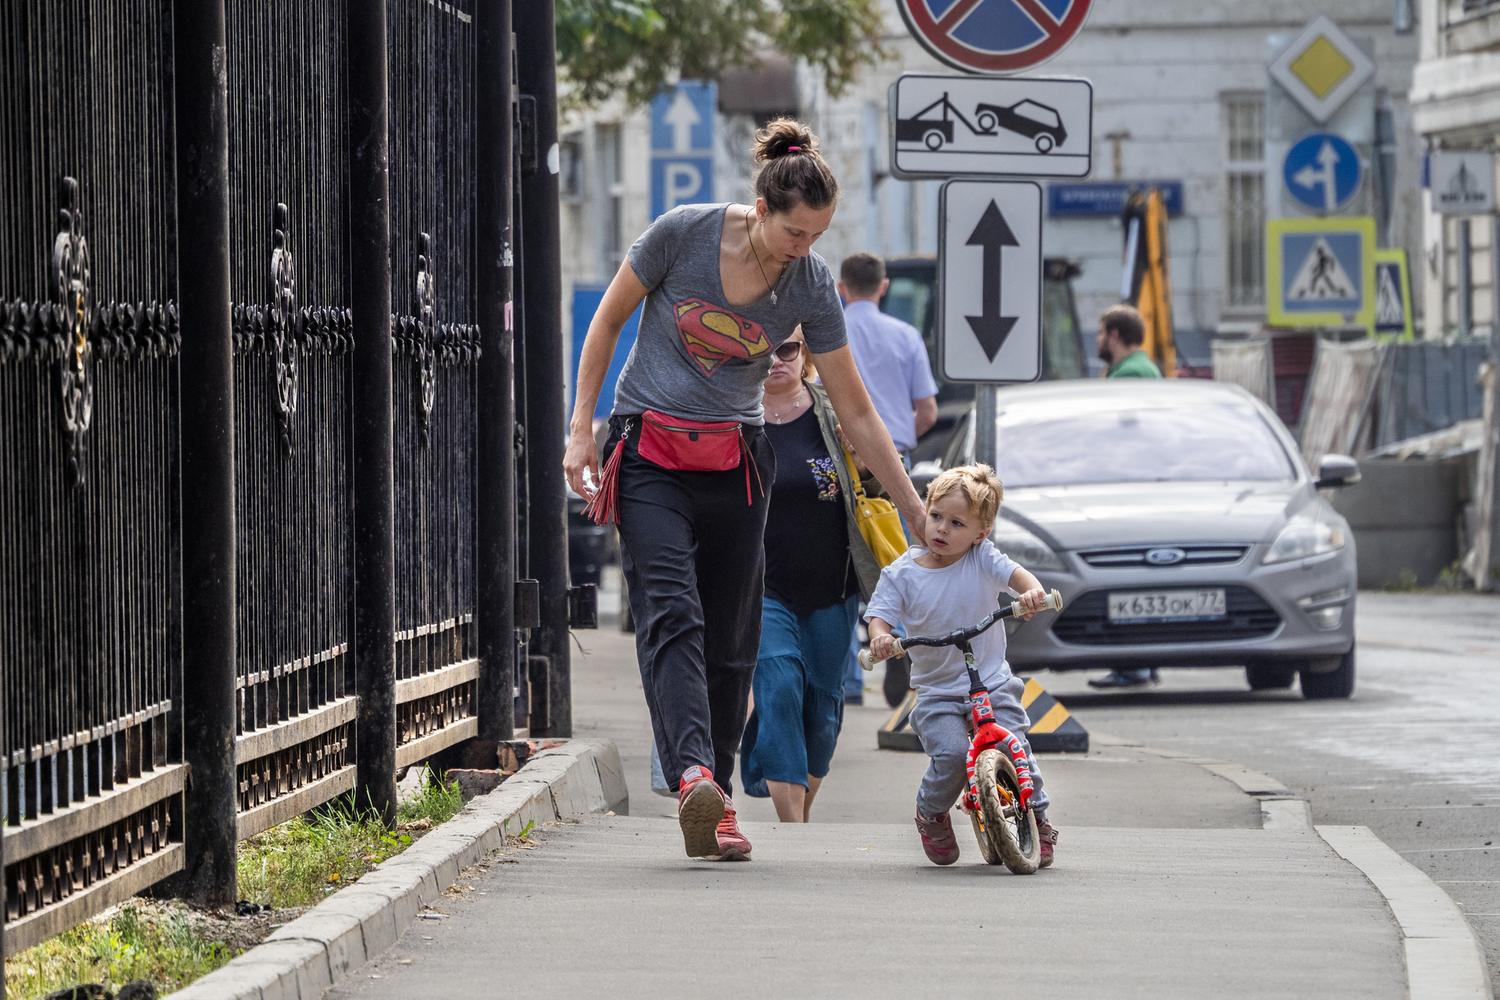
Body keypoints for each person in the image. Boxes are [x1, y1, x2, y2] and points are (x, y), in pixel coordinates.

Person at [563, 119, 927, 862]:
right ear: (762, 209)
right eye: (795, 232)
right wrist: (581, 429)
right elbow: (606, 323)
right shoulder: (682, 235)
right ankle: (693, 770)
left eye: (817, 236)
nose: (805, 249)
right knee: (671, 610)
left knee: (733, 644)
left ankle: (715, 799)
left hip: (737, 460)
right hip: (651, 451)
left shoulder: (811, 285)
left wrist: (915, 508)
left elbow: (855, 409)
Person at [864, 465, 1058, 867]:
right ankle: (931, 813)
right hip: (936, 691)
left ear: (980, 533)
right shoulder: (901, 574)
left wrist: (1032, 595)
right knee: (951, 755)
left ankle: (1037, 816)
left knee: (1015, 744)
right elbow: (879, 616)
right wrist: (882, 636)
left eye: (957, 523)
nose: (942, 529)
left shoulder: (982, 559)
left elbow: (1018, 577)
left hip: (991, 681)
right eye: (936, 516)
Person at [738, 329, 883, 823]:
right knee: (777, 689)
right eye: (765, 348)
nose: (776, 359)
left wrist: (863, 463)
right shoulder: (733, 413)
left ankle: (798, 810)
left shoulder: (837, 412)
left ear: (806, 355)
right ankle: (793, 828)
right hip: (761, 588)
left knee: (822, 710)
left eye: (788, 348)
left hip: (832, 587)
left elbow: (878, 482)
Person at [836, 251, 940, 704]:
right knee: (893, 563)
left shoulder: (828, 334)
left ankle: (848, 681)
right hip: (893, 466)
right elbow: (928, 411)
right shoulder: (906, 335)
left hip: (836, 465)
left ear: (841, 287)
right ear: (883, 287)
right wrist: (892, 448)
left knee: (839, 572)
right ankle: (897, 645)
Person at [1089, 304, 1164, 690]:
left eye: (1102, 333)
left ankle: (1133, 667)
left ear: (1115, 335)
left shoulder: (1131, 375)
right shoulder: (1137, 370)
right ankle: (1140, 664)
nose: (1098, 340)